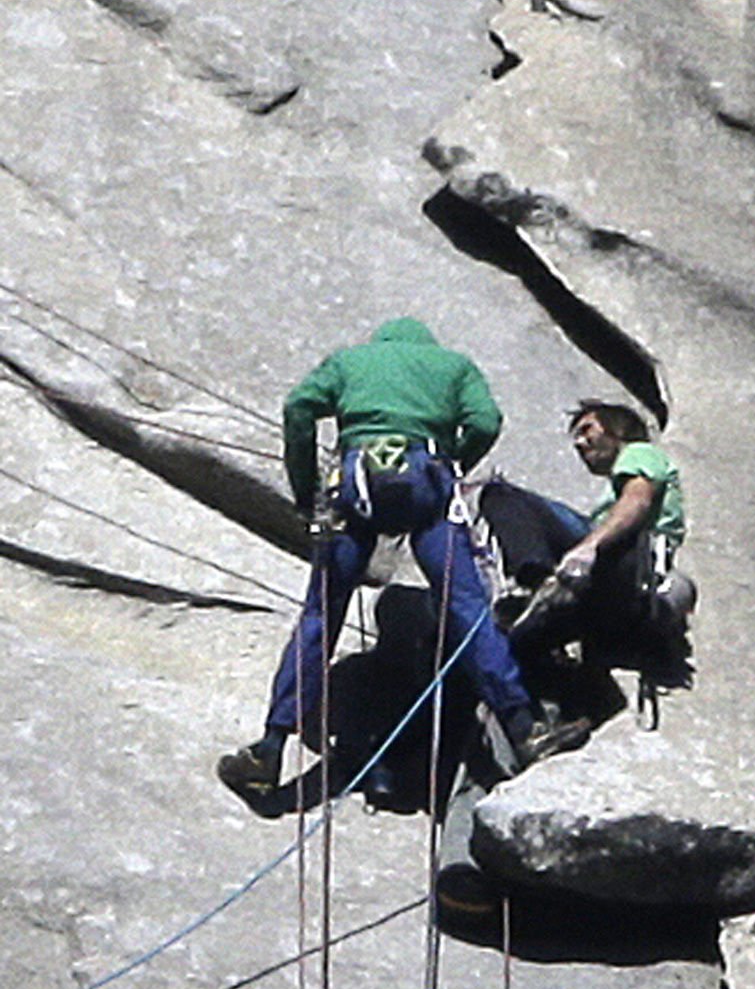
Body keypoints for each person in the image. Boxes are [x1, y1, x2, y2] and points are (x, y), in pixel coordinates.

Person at [217, 317, 589, 807]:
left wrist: (305, 488)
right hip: (426, 478)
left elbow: (298, 407)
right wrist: (453, 461)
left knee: (320, 615)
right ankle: (523, 725)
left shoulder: (350, 361)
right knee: (466, 606)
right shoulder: (453, 366)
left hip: (356, 484)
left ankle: (271, 746)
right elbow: (485, 421)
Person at [478, 400, 695, 680]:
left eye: (587, 429)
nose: (580, 443)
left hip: (629, 562)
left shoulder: (640, 452)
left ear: (617, 430)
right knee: (521, 643)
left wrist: (588, 548)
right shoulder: (613, 492)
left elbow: (638, 501)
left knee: (499, 494)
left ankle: (537, 579)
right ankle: (583, 700)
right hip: (618, 591)